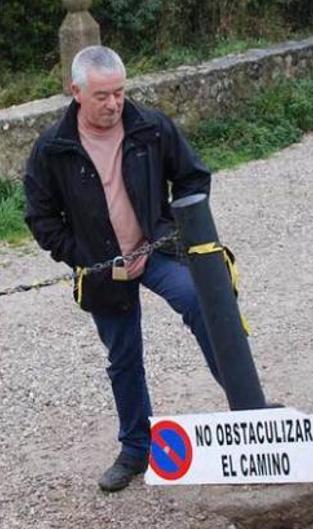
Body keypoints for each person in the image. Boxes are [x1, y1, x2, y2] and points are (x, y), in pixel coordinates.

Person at [23, 45, 224, 492]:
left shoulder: (150, 127)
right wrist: (80, 255)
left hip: (156, 249)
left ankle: (248, 409)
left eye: (119, 92)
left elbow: (193, 177)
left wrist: (174, 229)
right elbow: (39, 216)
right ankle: (136, 449)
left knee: (202, 303)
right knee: (124, 357)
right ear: (75, 92)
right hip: (101, 267)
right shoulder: (54, 148)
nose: (114, 104)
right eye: (102, 96)